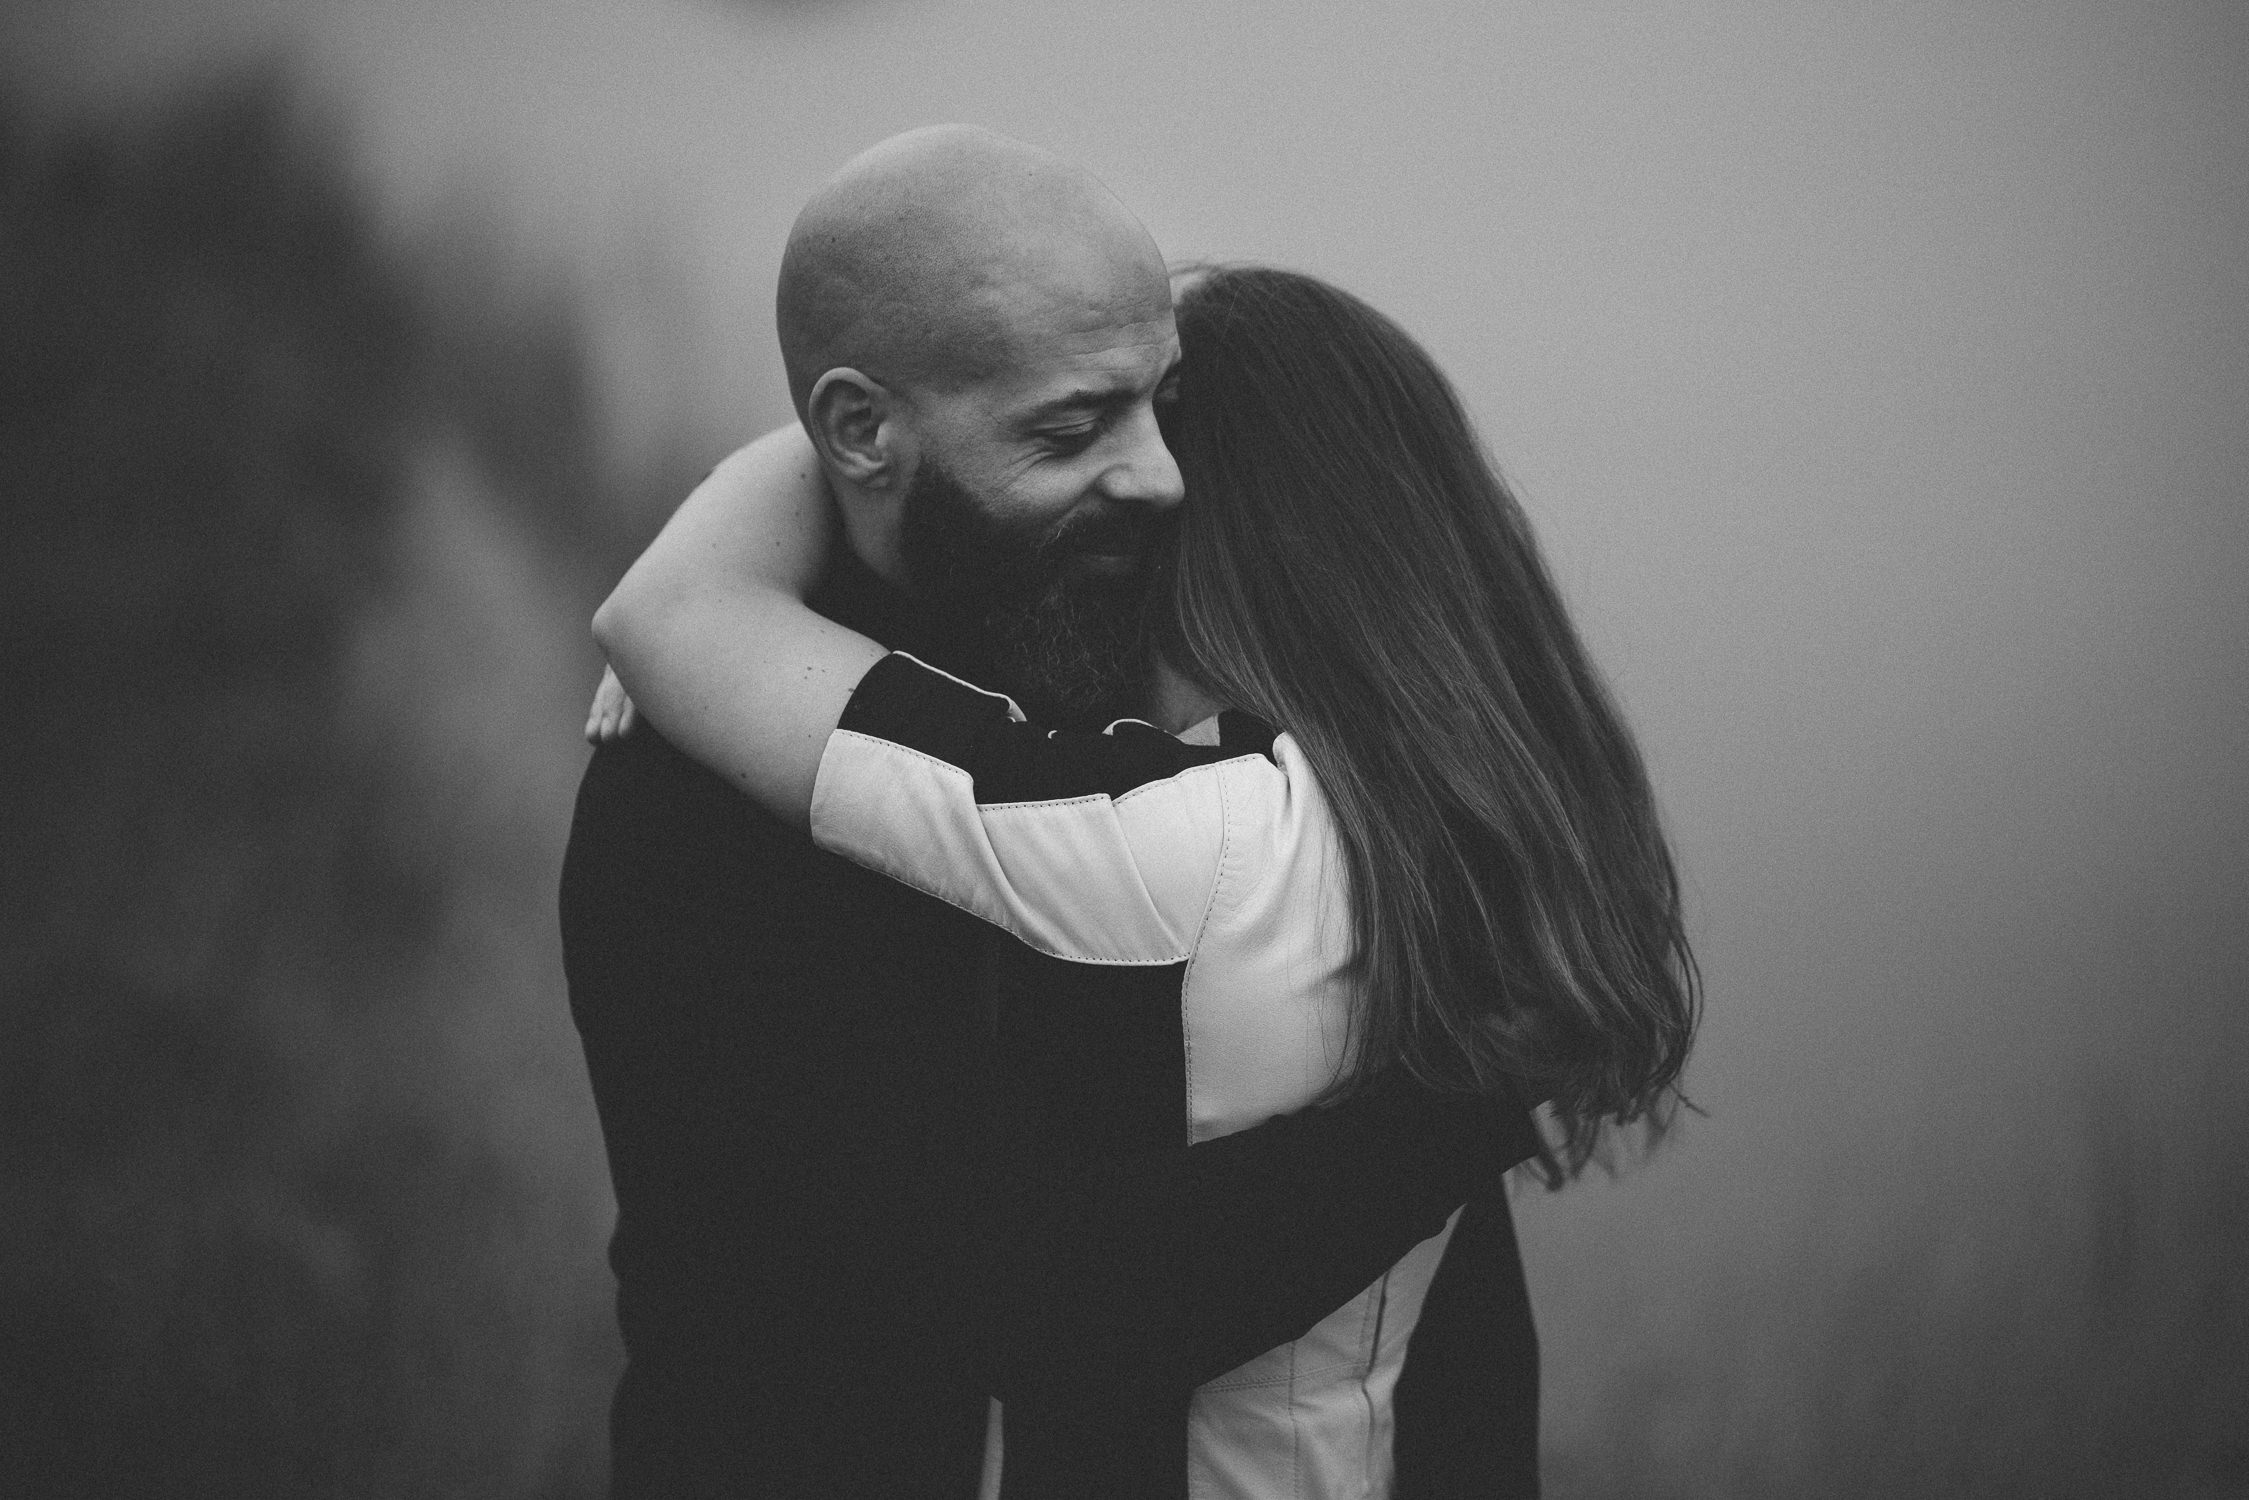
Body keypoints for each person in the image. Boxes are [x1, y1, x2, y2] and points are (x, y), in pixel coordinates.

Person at [560, 129, 1554, 1499]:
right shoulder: (704, 797)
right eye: (1072, 429)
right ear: (858, 433)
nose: (1158, 477)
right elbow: (1038, 1299)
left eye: (1160, 406)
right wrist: (1476, 1091)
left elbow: (1425, 1291)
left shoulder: (1097, 637)